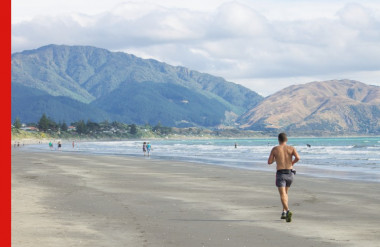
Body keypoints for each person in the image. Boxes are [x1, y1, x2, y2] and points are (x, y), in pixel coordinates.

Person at [268, 133, 300, 222]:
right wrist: (292, 163)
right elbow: (298, 157)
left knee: (282, 194)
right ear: (286, 139)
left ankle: (288, 210)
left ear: (278, 139)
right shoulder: (291, 148)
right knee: (285, 193)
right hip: (290, 173)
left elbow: (269, 162)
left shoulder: (275, 149)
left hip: (281, 173)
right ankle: (284, 212)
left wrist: (276, 159)